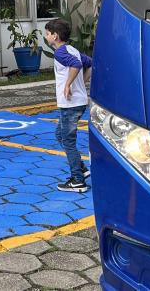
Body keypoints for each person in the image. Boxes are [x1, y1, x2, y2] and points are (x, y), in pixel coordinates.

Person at [44, 18, 93, 193]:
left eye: (47, 33)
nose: (46, 36)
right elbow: (89, 64)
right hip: (77, 102)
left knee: (68, 141)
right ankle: (82, 169)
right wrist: (80, 83)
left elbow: (77, 64)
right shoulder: (72, 49)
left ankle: (78, 180)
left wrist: (68, 85)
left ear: (55, 36)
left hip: (70, 105)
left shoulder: (60, 53)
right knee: (60, 135)